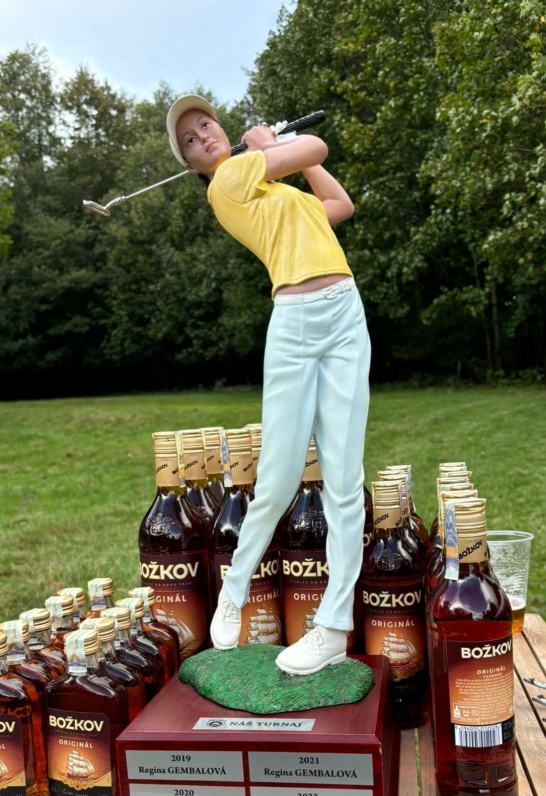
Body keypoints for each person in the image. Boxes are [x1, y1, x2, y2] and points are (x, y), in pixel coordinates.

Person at [166, 95, 370, 676]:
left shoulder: (278, 193)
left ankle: (333, 628)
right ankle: (234, 588)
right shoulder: (227, 182)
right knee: (279, 478)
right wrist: (273, 145)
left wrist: (283, 156)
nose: (203, 136)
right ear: (192, 165)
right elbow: (317, 144)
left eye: (206, 124)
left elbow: (339, 204)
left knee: (345, 482)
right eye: (189, 140)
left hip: (344, 313)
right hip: (296, 324)